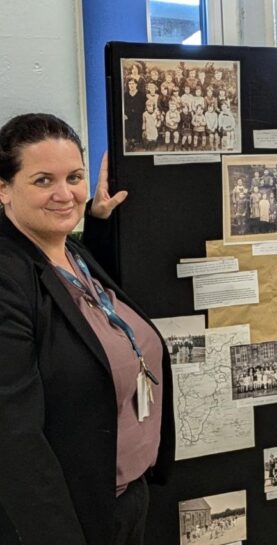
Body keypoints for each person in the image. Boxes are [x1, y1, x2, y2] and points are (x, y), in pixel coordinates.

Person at [0, 114, 174, 544]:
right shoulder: (6, 276)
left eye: (74, 177)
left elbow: (83, 319)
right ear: (3, 188)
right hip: (72, 516)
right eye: (43, 181)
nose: (64, 194)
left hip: (125, 497)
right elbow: (13, 439)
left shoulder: (71, 253)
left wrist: (95, 218)